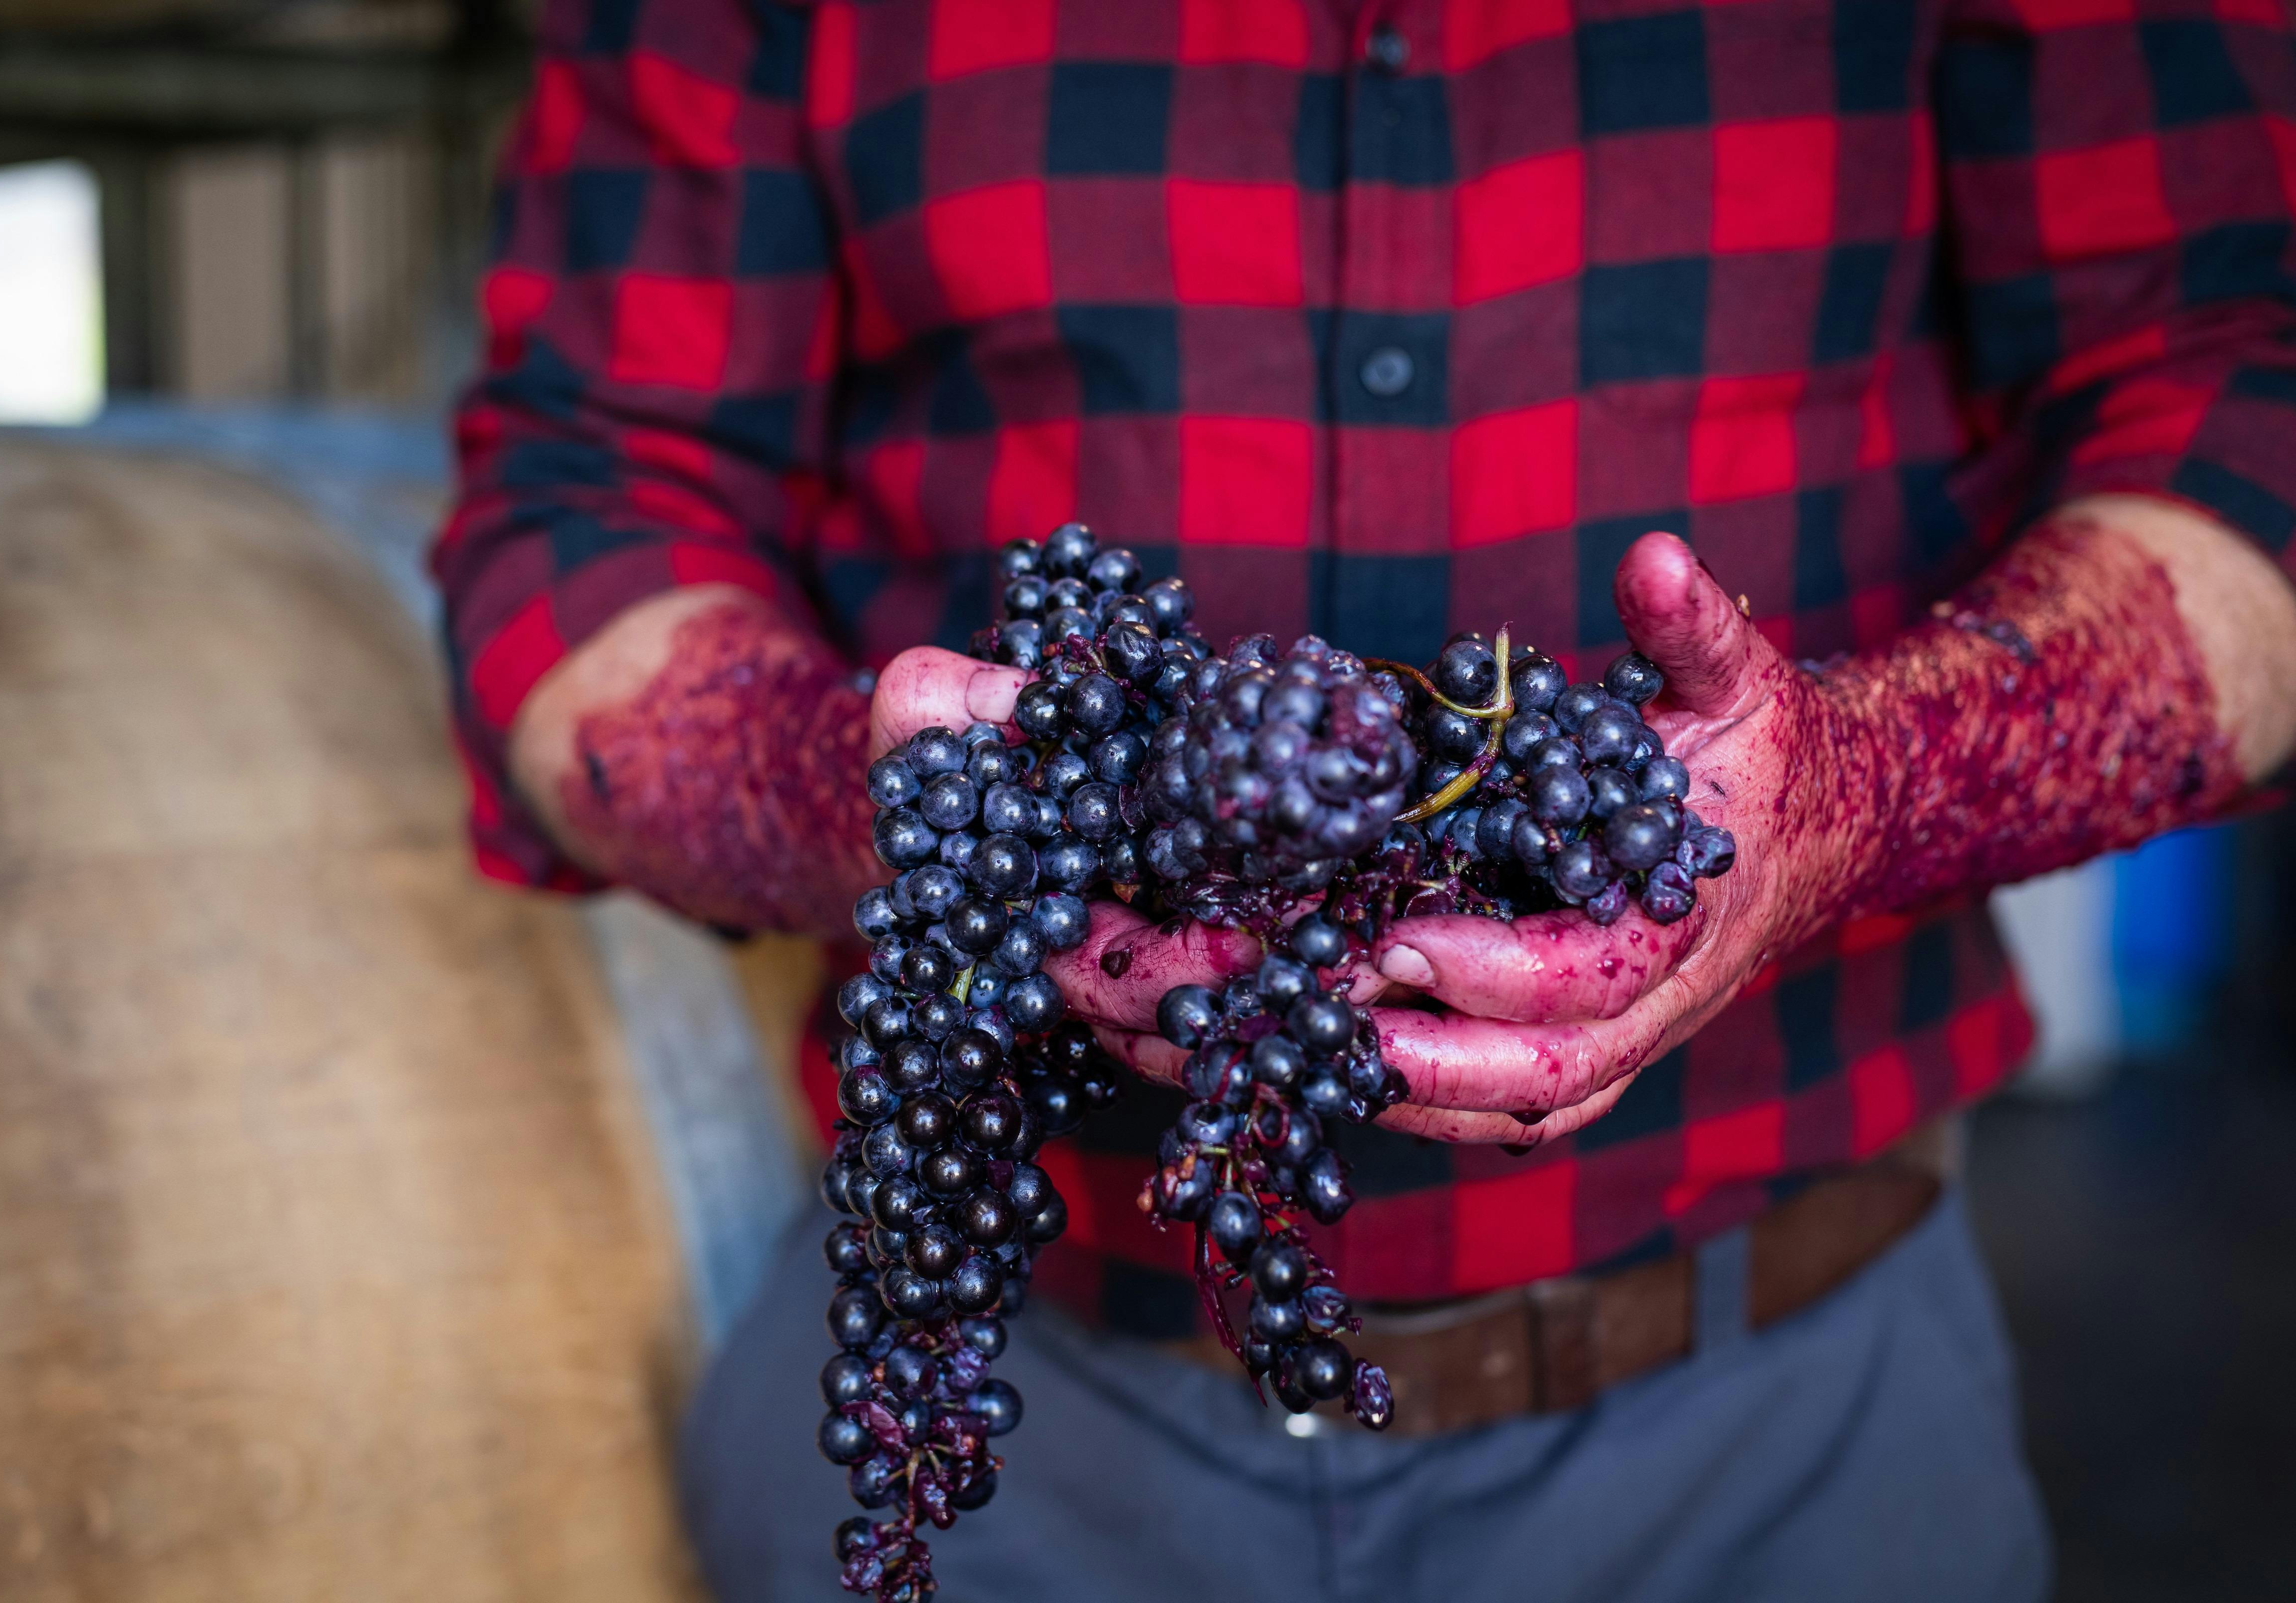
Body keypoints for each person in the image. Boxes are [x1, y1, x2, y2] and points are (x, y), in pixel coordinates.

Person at [435, 3, 2296, 1597]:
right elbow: (584, 500)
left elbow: (2241, 395)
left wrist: (1860, 789)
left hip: (1793, 1439)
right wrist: (911, 828)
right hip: (1002, 1400)